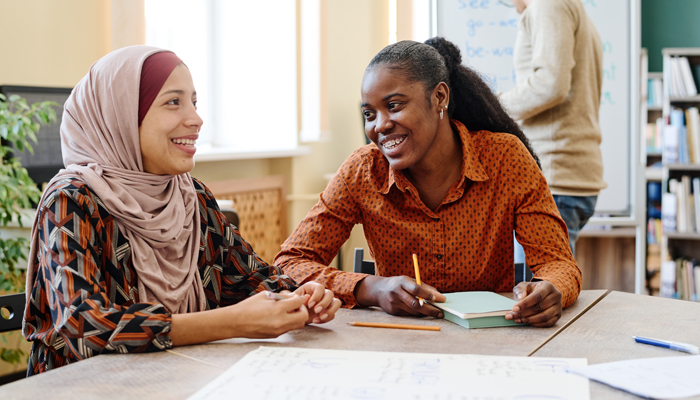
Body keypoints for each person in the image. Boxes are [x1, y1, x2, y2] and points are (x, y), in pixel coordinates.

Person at [22, 46, 341, 376]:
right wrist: (228, 323)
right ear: (122, 116)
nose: (196, 119)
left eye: (194, 102)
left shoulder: (192, 195)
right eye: (173, 102)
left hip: (179, 380)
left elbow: (252, 280)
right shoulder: (72, 199)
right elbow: (83, 325)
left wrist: (300, 298)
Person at [275, 38, 581, 328]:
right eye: (369, 114)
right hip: (401, 343)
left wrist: (550, 288)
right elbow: (290, 263)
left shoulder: (505, 158)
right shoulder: (362, 170)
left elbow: (558, 262)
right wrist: (371, 288)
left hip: (491, 339)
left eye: (394, 106)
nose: (379, 125)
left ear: (439, 97)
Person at [499, 0, 606, 256]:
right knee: (548, 287)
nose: (513, 7)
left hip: (554, 178)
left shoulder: (549, 4)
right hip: (564, 178)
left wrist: (492, 108)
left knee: (539, 292)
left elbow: (550, 85)